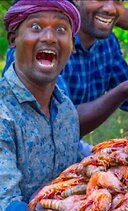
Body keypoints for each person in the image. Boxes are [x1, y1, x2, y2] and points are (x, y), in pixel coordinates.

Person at [3, 0, 128, 137]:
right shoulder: (38, 50)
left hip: (69, 149)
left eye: (118, 0)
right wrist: (124, 90)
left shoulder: (107, 43)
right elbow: (58, 125)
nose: (110, 8)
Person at [0, 1, 81, 209]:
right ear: (13, 39)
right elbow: (8, 204)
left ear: (71, 45)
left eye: (61, 29)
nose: (49, 37)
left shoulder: (66, 108)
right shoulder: (3, 112)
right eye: (36, 27)